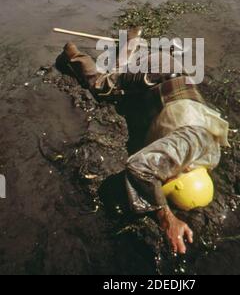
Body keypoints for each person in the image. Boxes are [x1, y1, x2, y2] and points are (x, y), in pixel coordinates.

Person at [56, 28, 230, 255]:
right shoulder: (180, 149)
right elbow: (139, 167)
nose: (165, 177)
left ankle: (133, 40)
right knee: (103, 86)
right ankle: (71, 54)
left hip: (170, 70)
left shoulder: (209, 155)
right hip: (152, 74)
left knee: (121, 76)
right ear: (184, 169)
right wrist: (165, 216)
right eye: (169, 179)